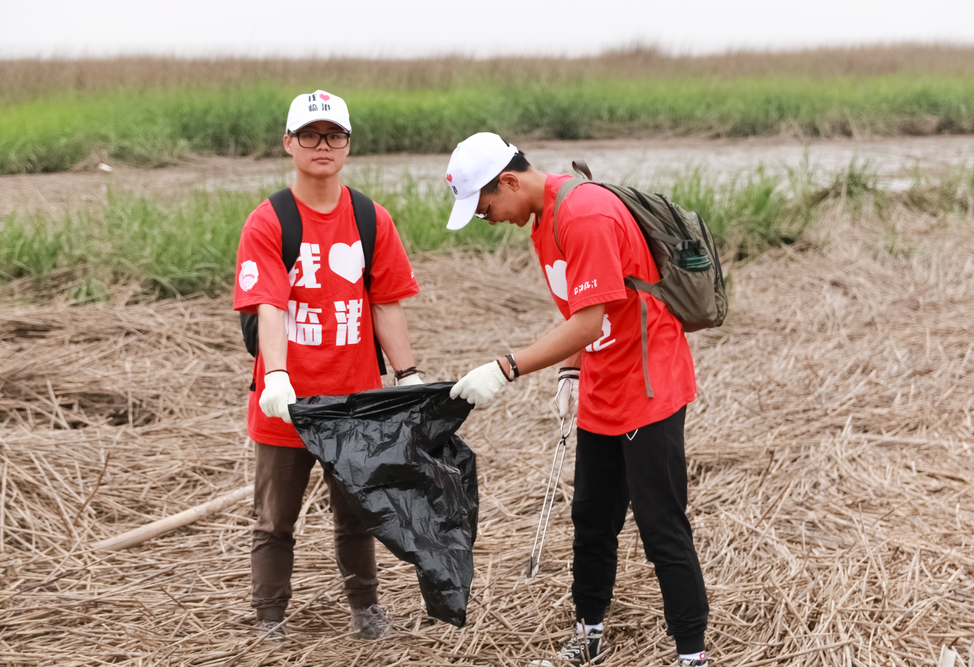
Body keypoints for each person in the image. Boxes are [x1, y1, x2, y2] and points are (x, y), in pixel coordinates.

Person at [444, 133, 710, 667]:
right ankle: (588, 635)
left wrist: (506, 367)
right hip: (602, 385)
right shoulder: (543, 220)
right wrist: (571, 371)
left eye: (485, 207)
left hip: (648, 386)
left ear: (509, 181)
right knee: (591, 518)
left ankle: (692, 654)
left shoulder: (584, 215)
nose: (486, 219)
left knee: (660, 526)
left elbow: (588, 322)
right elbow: (581, 311)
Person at [233, 90, 423, 641]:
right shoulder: (269, 220)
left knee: (358, 515)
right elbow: (269, 305)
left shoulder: (370, 218)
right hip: (286, 404)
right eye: (310, 135)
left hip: (355, 401)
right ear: (288, 143)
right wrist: (276, 376)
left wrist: (408, 376)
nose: (323, 145)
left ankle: (366, 610)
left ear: (347, 145)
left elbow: (385, 303)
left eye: (334, 135)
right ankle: (270, 620)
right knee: (275, 520)